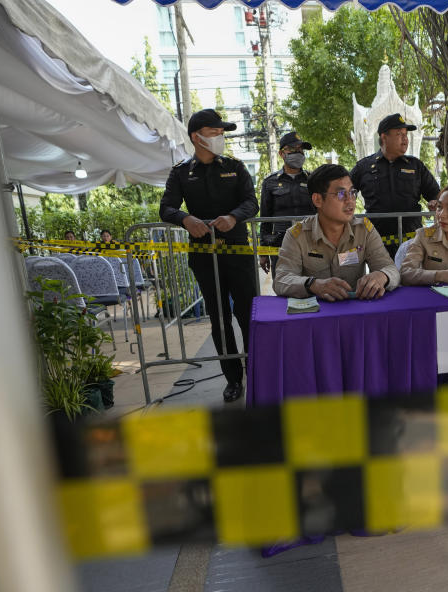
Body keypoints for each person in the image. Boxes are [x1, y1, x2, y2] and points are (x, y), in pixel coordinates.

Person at [160, 108, 259, 403]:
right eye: (215, 133)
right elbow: (166, 207)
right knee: (219, 319)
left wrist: (233, 217)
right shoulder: (180, 172)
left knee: (248, 315)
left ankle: (257, 370)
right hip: (204, 256)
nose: (220, 138)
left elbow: (251, 202)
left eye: (221, 134)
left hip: (238, 252)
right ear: (196, 137)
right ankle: (232, 379)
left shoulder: (235, 166)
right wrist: (184, 219)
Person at [274, 164, 399, 300]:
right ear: (318, 200)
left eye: (352, 192)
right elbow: (281, 280)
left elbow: (391, 269)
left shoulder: (364, 230)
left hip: (353, 311)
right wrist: (313, 285)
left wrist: (382, 276)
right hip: (315, 314)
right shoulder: (297, 235)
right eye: (340, 194)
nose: (350, 200)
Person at [349, 113, 441, 258]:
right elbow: (344, 193)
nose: (405, 139)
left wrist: (436, 202)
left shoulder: (415, 165)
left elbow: (436, 194)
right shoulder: (364, 166)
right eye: (399, 134)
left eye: (406, 134)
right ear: (384, 137)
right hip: (376, 241)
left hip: (411, 241)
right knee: (381, 279)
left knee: (412, 278)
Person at [259, 131, 316, 275]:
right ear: (281, 154)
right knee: (284, 288)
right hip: (281, 245)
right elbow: (265, 220)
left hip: (311, 242)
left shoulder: (313, 180)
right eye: (293, 149)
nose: (298, 152)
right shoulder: (270, 182)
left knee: (315, 288)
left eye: (300, 149)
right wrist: (263, 253)